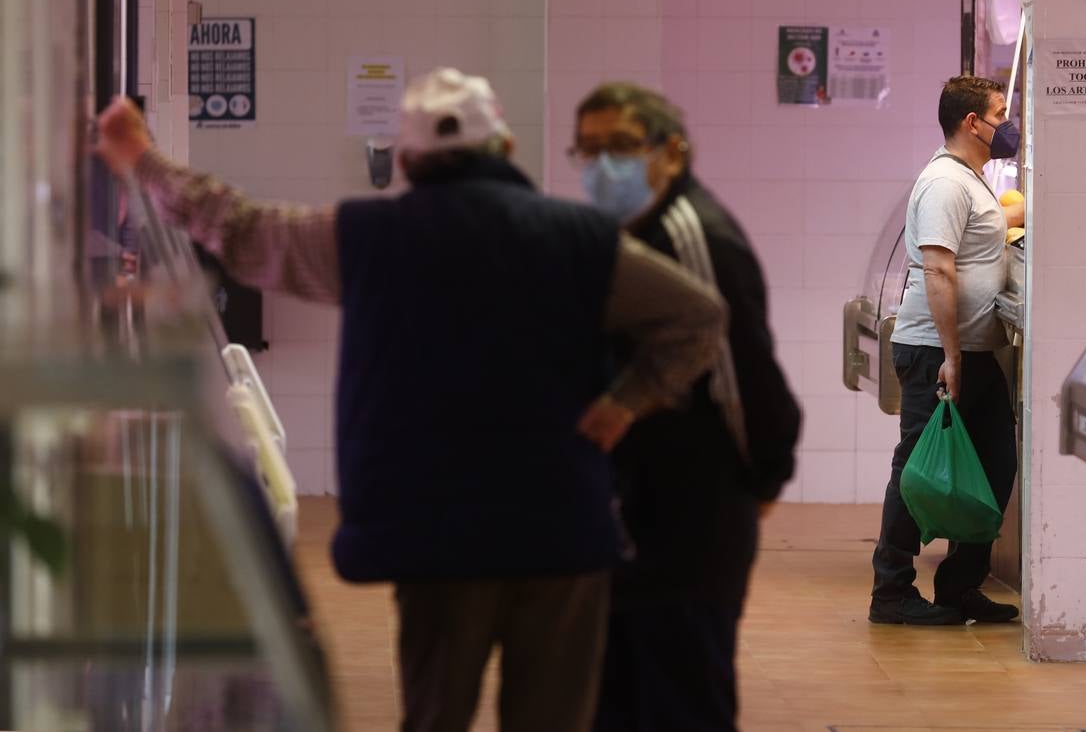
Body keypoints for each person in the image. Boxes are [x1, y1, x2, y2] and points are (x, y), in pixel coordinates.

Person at [95, 70, 728, 732]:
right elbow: (698, 316)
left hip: (433, 533)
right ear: (506, 146)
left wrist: (143, 158)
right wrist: (628, 401)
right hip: (560, 526)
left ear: (406, 161)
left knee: (435, 714)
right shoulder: (582, 240)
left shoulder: (365, 238)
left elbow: (241, 230)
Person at [572, 83, 801, 732]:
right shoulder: (628, 231)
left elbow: (743, 374)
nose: (599, 166)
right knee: (621, 689)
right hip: (638, 502)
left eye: (617, 147)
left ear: (670, 151)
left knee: (682, 694)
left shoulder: (692, 235)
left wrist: (763, 474)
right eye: (586, 151)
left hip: (695, 508)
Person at [868, 75, 1025, 627]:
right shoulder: (943, 182)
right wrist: (952, 356)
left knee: (996, 466)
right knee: (919, 471)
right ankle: (890, 595)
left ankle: (960, 587)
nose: (1009, 123)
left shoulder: (971, 179)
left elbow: (981, 230)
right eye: (1001, 113)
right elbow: (938, 266)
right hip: (937, 350)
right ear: (971, 123)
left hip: (975, 352)